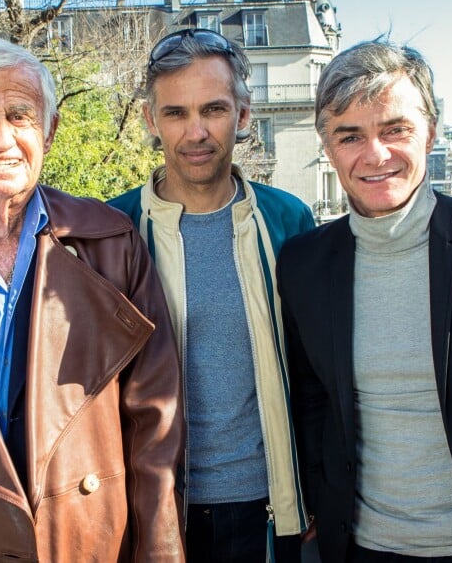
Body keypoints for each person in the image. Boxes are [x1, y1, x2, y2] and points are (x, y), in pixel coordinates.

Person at [0, 37, 185, 562]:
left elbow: (155, 428)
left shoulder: (111, 245)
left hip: (85, 543)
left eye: (20, 114)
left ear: (49, 131)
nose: (0, 137)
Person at [277, 39, 452, 563]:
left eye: (395, 129)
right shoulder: (303, 264)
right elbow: (314, 400)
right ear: (328, 147)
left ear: (431, 130)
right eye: (350, 135)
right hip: (363, 549)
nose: (375, 154)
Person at [109, 28, 314, 562]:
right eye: (175, 113)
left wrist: (315, 484)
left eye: (214, 109)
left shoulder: (289, 220)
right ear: (152, 122)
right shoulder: (114, 230)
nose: (195, 131)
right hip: (158, 508)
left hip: (272, 506)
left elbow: (319, 370)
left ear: (243, 115)